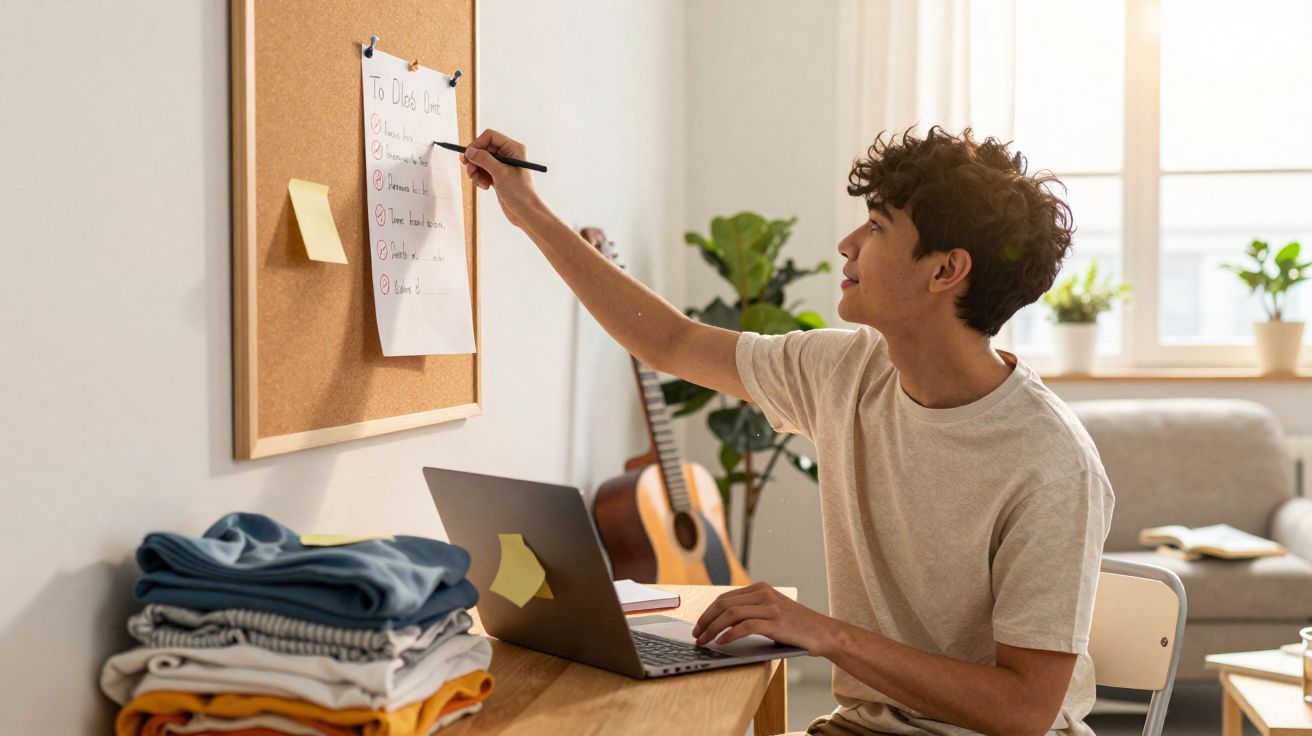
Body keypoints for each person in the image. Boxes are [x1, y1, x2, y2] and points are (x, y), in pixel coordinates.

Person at [460, 126, 1113, 736]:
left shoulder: (1050, 463)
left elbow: (1026, 709)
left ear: (944, 271)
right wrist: (530, 212)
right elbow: (668, 340)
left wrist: (827, 634)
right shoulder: (845, 369)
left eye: (878, 227)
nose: (848, 245)